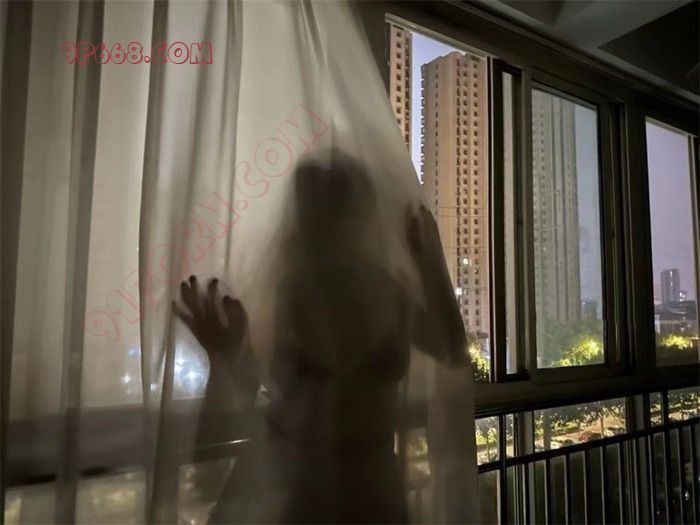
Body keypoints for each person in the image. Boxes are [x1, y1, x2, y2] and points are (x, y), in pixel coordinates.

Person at [174, 149, 473, 523]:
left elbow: (451, 349)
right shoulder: (293, 294)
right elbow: (259, 393)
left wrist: (430, 264)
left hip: (373, 489)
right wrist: (225, 353)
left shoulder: (385, 290)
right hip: (310, 494)